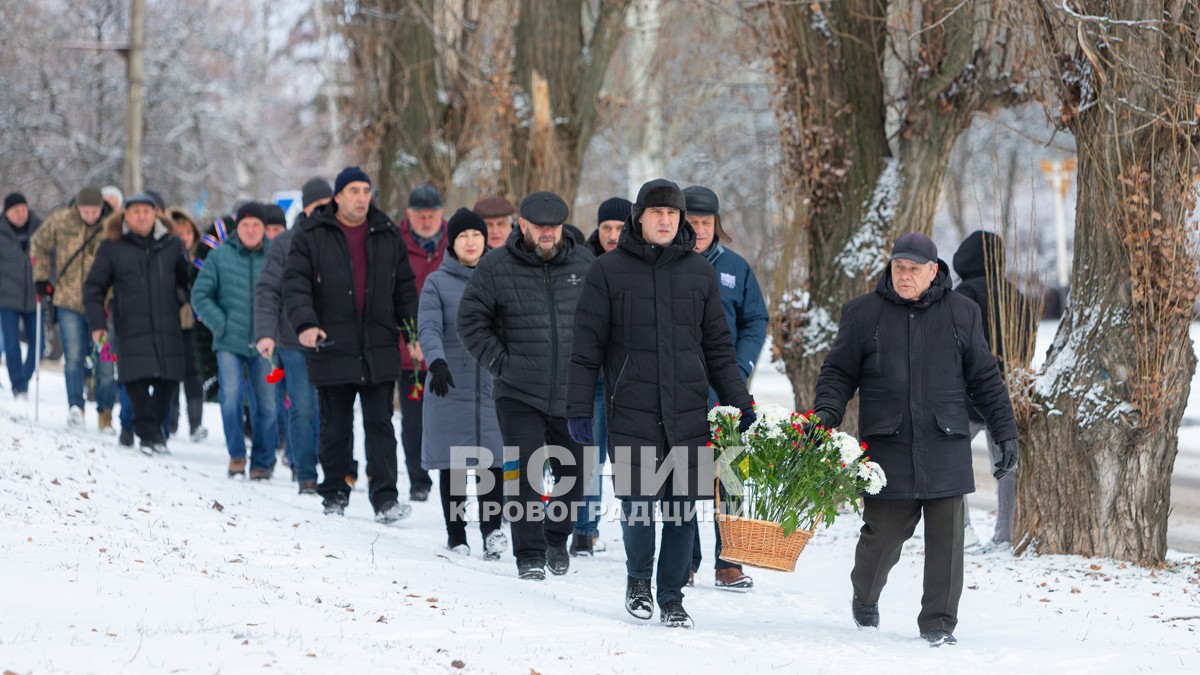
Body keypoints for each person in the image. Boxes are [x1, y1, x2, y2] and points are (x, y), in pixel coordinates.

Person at [812, 232, 1018, 647]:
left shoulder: (963, 313)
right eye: (898, 267)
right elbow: (837, 373)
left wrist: (1005, 431)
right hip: (888, 446)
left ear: (933, 271)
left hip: (945, 442)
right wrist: (826, 416)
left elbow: (984, 379)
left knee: (948, 543)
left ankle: (939, 624)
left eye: (914, 269)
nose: (905, 276)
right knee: (882, 537)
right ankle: (864, 594)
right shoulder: (862, 314)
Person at [566, 178, 755, 629]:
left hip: (689, 412)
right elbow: (585, 347)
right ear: (640, 218)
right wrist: (576, 407)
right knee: (637, 507)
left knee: (682, 511)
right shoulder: (607, 272)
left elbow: (718, 349)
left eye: (673, 214)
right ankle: (637, 583)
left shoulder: (699, 273)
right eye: (657, 213)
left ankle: (672, 597)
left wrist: (739, 399)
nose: (667, 220)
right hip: (631, 409)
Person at [457, 190, 594, 581]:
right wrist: (501, 363)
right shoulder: (495, 266)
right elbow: (470, 321)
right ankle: (529, 554)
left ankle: (556, 536)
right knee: (526, 477)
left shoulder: (586, 263)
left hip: (574, 393)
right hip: (518, 393)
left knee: (576, 474)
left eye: (554, 226)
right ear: (523, 225)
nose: (548, 233)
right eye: (540, 226)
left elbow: (607, 321)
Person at [284, 167, 419, 523]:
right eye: (354, 191)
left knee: (380, 425)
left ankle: (386, 498)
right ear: (338, 197)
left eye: (366, 190)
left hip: (378, 345)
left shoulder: (387, 232)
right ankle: (334, 494)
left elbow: (405, 290)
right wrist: (307, 324)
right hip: (331, 345)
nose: (361, 198)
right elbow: (295, 284)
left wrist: (413, 335)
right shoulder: (312, 234)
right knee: (335, 426)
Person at [683, 185, 769, 591]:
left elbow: (755, 320)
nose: (699, 229)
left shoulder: (736, 268)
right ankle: (685, 558)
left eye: (705, 222)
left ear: (716, 224)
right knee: (682, 475)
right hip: (679, 387)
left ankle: (728, 560)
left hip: (727, 388)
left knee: (730, 473)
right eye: (691, 222)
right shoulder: (669, 265)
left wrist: (742, 365)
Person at [419, 208, 508, 559]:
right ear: (452, 244)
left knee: (493, 461)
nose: (471, 242)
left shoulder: (498, 277)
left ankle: (492, 532)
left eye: (476, 235)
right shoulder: (436, 283)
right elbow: (427, 326)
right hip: (449, 382)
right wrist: (436, 360)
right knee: (454, 462)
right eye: (463, 237)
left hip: (492, 383)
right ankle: (456, 534)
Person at [83, 194, 188, 454]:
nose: (141, 216)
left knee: (169, 379)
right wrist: (98, 325)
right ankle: (149, 436)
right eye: (136, 211)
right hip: (129, 323)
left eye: (146, 211)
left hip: (167, 324)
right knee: (135, 379)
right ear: (126, 216)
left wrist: (181, 298)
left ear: (156, 214)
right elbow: (94, 287)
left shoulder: (172, 244)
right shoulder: (113, 246)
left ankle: (153, 433)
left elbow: (185, 280)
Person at [952, 230, 1035, 551]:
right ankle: (1006, 534)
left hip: (967, 395)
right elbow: (1025, 342)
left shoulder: (963, 295)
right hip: (1007, 393)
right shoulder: (1017, 295)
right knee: (1007, 466)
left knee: (950, 460)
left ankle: (962, 530)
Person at [255, 179, 332, 495]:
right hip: (293, 338)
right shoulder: (285, 243)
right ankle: (306, 472)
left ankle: (339, 470)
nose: (324, 213)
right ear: (306, 207)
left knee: (332, 409)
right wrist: (265, 332)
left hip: (332, 339)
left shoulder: (339, 238)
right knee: (302, 406)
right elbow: (268, 289)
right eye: (318, 207)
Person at [191, 202, 277, 480]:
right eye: (245, 225)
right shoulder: (220, 257)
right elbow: (200, 295)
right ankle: (237, 455)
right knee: (230, 398)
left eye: (256, 225)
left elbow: (287, 294)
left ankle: (262, 462)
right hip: (229, 341)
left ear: (264, 229)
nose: (251, 231)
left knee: (267, 404)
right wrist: (221, 324)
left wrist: (275, 329)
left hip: (265, 343)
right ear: (236, 227)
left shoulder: (275, 257)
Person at [569, 196, 632, 557]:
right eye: (606, 227)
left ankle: (634, 535)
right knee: (590, 457)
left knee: (627, 460)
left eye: (619, 228)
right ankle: (583, 530)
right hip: (594, 379)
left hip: (626, 381)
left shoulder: (638, 262)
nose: (612, 234)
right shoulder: (584, 262)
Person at [32, 186, 116, 431]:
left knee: (106, 358)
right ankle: (75, 407)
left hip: (103, 305)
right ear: (77, 208)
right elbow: (38, 243)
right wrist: (42, 277)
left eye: (95, 211)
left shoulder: (110, 227)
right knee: (74, 356)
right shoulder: (61, 220)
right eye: (85, 210)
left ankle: (106, 411)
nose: (90, 215)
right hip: (68, 301)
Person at [396, 184, 447, 502]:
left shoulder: (454, 241)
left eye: (432, 215)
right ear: (409, 215)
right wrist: (407, 339)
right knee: (413, 420)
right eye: (421, 215)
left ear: (441, 214)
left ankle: (448, 474)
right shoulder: (396, 242)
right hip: (408, 348)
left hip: (446, 347)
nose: (427, 221)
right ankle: (418, 479)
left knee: (445, 417)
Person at [164, 207, 208, 444]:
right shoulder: (167, 255)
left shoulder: (201, 257)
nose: (183, 238)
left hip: (194, 323)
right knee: (171, 372)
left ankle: (196, 422)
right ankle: (171, 421)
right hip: (171, 321)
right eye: (178, 233)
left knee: (194, 373)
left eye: (187, 233)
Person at [0, 192, 43, 399]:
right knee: (11, 342)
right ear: (6, 212)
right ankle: (18, 385)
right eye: (15, 210)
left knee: (38, 343)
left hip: (34, 296)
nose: (20, 214)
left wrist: (48, 281)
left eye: (23, 209)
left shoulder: (39, 227)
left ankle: (25, 377)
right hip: (7, 296)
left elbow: (51, 257)